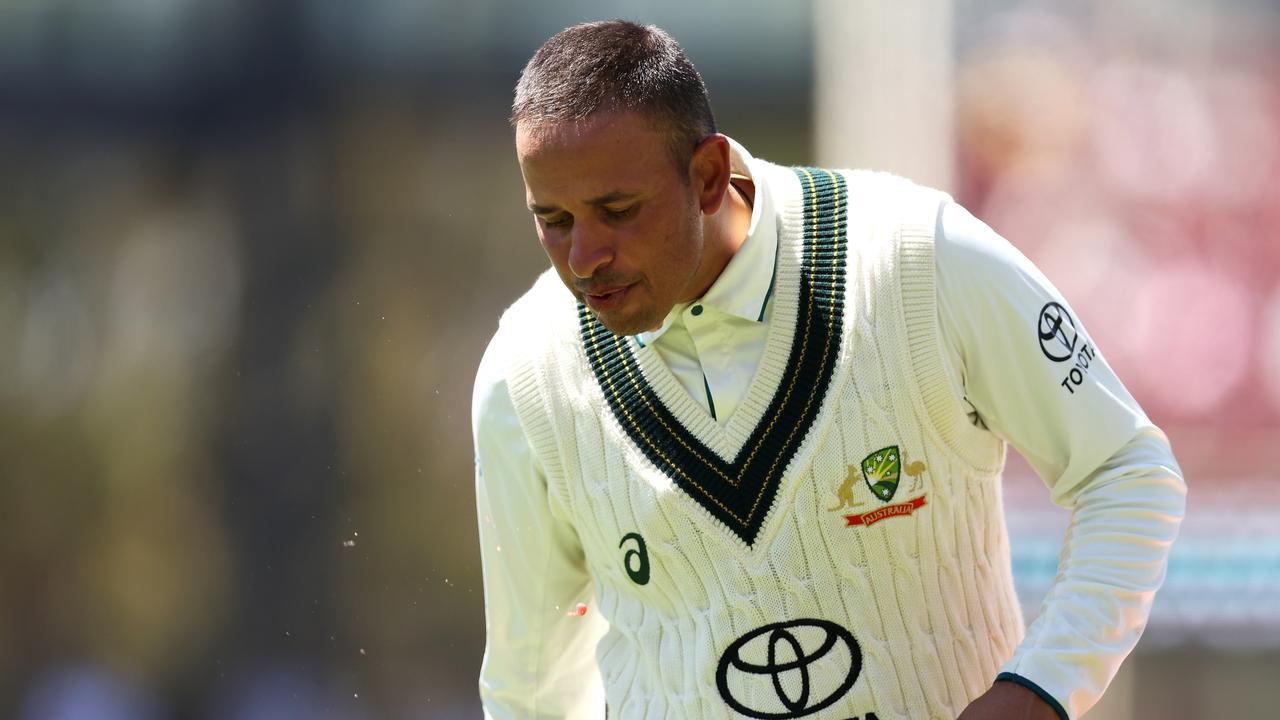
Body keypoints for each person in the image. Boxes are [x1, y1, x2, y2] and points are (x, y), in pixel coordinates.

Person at [472, 20, 1185, 720]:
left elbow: (1127, 475)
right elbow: (529, 687)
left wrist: (1040, 690)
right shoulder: (525, 370)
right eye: (554, 219)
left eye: (617, 210)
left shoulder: (919, 256)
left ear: (710, 175)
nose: (583, 255)